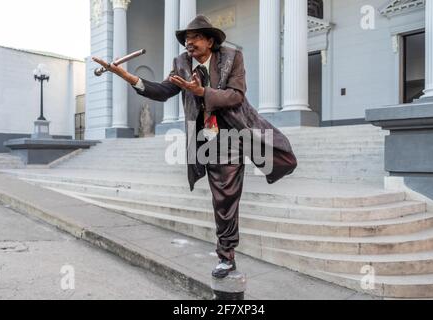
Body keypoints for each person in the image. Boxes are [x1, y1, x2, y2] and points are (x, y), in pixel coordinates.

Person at [93, 14, 297, 279]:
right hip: (204, 137)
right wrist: (128, 77)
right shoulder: (181, 63)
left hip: (235, 132)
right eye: (186, 40)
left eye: (195, 38)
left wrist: (202, 93)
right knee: (222, 198)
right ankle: (227, 255)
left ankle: (226, 254)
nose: (189, 44)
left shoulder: (232, 58)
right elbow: (164, 90)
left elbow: (236, 96)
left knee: (235, 191)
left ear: (210, 41)